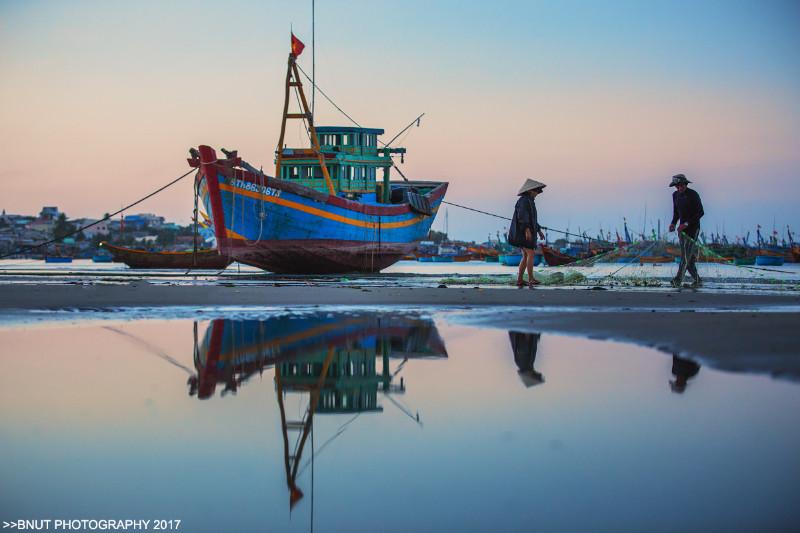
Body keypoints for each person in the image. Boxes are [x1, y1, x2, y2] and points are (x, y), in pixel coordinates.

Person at [508, 179, 546, 288]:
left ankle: (520, 280)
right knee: (531, 254)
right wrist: (527, 230)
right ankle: (531, 279)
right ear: (530, 191)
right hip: (523, 233)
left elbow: (532, 219)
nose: (537, 194)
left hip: (525, 232)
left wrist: (539, 230)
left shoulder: (529, 201)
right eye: (536, 191)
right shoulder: (524, 201)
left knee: (525, 255)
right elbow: (522, 217)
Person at [668, 174, 704, 288]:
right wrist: (673, 223)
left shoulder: (693, 195)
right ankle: (698, 280)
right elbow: (676, 213)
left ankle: (678, 280)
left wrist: (686, 224)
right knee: (687, 259)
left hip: (693, 229)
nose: (679, 188)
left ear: (685, 184)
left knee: (685, 257)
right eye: (677, 187)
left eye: (681, 186)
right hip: (681, 230)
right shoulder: (675, 196)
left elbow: (700, 212)